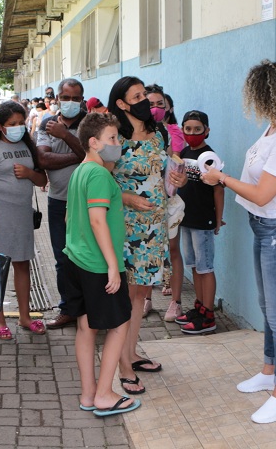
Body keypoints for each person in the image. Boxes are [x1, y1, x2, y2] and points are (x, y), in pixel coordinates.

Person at [202, 60, 276, 424]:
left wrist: (222, 179)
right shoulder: (274, 129)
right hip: (265, 229)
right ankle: (268, 372)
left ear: (270, 96)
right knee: (268, 309)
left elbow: (264, 194)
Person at [108, 76, 187, 395]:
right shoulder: (113, 137)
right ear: (122, 103)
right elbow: (100, 177)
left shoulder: (159, 134)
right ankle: (123, 364)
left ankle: (132, 352)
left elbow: (164, 172)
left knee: (140, 294)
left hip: (155, 224)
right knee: (127, 295)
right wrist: (126, 198)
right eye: (138, 96)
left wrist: (176, 182)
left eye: (146, 95)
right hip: (127, 225)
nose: (145, 101)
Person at [65, 112, 140, 417]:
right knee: (120, 324)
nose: (117, 143)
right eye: (112, 138)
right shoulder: (99, 175)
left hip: (75, 261)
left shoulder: (80, 171)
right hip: (97, 265)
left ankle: (88, 394)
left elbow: (72, 218)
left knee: (85, 327)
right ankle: (106, 393)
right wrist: (113, 265)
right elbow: (98, 221)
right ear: (93, 143)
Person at [0, 102, 49, 339]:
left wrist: (29, 174)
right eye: (12, 124)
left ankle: (25, 316)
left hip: (22, 217)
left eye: (21, 123)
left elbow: (41, 181)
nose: (18, 128)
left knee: (23, 264)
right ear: (0, 126)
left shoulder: (27, 147)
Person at [36, 79, 87, 330]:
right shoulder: (47, 123)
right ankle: (68, 308)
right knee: (62, 258)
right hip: (58, 202)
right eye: (65, 98)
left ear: (82, 100)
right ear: (57, 98)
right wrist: (78, 155)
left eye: (75, 99)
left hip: (88, 203)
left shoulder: (90, 123)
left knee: (88, 257)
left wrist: (66, 136)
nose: (70, 103)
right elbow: (43, 158)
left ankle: (89, 309)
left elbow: (93, 156)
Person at [174, 110, 226, 334]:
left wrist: (217, 219)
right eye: (188, 129)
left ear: (207, 130)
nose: (192, 133)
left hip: (203, 220)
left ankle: (208, 316)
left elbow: (219, 190)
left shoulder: (210, 156)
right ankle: (199, 306)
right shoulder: (184, 152)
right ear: (183, 129)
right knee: (194, 266)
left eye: (198, 129)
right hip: (187, 219)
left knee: (206, 268)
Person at [143, 84, 185, 322]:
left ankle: (176, 303)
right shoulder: (133, 133)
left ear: (168, 108)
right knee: (148, 251)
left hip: (167, 201)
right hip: (143, 203)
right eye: (150, 104)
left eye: (160, 104)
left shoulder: (171, 132)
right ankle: (146, 299)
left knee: (172, 250)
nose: (156, 108)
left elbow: (177, 163)